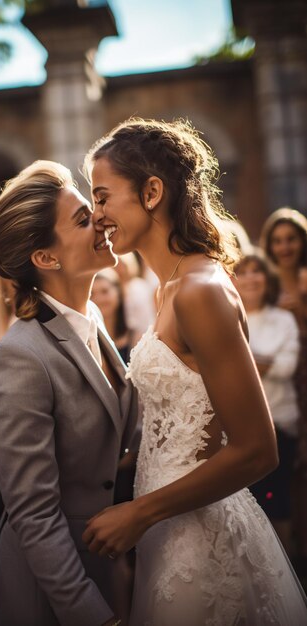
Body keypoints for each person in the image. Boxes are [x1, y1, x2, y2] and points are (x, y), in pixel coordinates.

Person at [82, 118, 307, 625]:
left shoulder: (201, 291)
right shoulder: (169, 289)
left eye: (102, 197)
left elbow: (257, 449)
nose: (96, 216)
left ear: (152, 192)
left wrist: (137, 513)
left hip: (196, 536)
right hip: (166, 527)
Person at [0, 160, 138, 626]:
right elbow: (33, 513)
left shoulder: (91, 322)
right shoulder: (20, 357)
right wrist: (93, 616)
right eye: (83, 219)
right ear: (46, 259)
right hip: (51, 591)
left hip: (105, 564)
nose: (102, 220)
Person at [234, 253, 300, 555]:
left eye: (256, 271)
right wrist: (264, 361)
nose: (250, 278)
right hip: (239, 427)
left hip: (280, 422)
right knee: (246, 503)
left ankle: (288, 573)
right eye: (243, 272)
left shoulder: (283, 319)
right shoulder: (230, 317)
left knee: (278, 500)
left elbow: (285, 368)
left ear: (267, 277)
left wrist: (240, 358)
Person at [261, 207, 307, 574]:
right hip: (287, 385)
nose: (285, 246)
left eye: (291, 239)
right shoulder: (268, 284)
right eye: (277, 240)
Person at [91, 269, 134, 364]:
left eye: (104, 291)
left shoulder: (136, 337)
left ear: (118, 293)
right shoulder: (88, 341)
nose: (99, 299)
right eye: (92, 294)